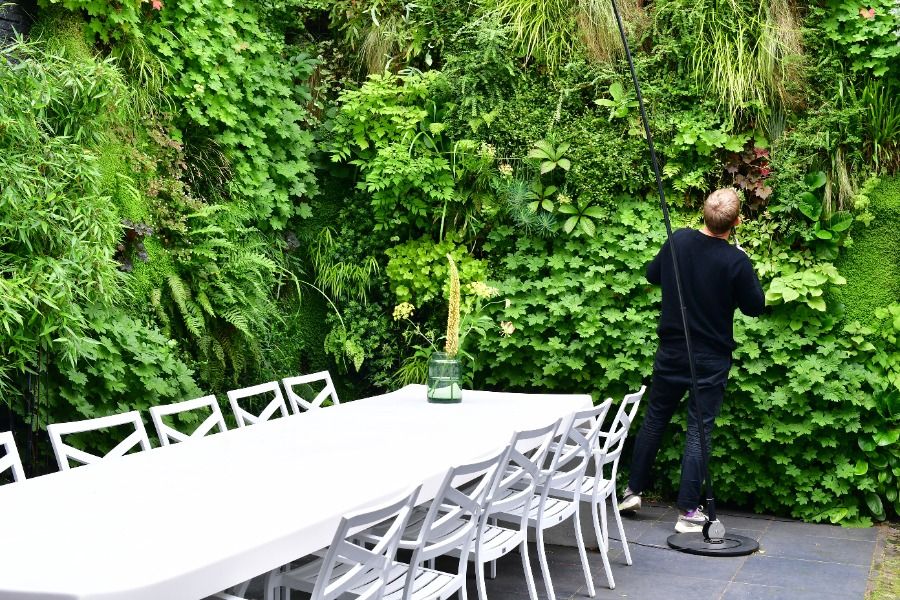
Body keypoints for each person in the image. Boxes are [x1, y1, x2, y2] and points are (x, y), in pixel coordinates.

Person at [617, 188, 765, 533]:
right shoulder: (735, 261)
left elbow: (653, 275)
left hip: (672, 350)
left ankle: (632, 491)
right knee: (699, 431)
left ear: (703, 213)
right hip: (710, 358)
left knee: (655, 419)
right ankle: (687, 513)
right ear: (736, 221)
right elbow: (755, 306)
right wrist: (743, 262)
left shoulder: (679, 241)